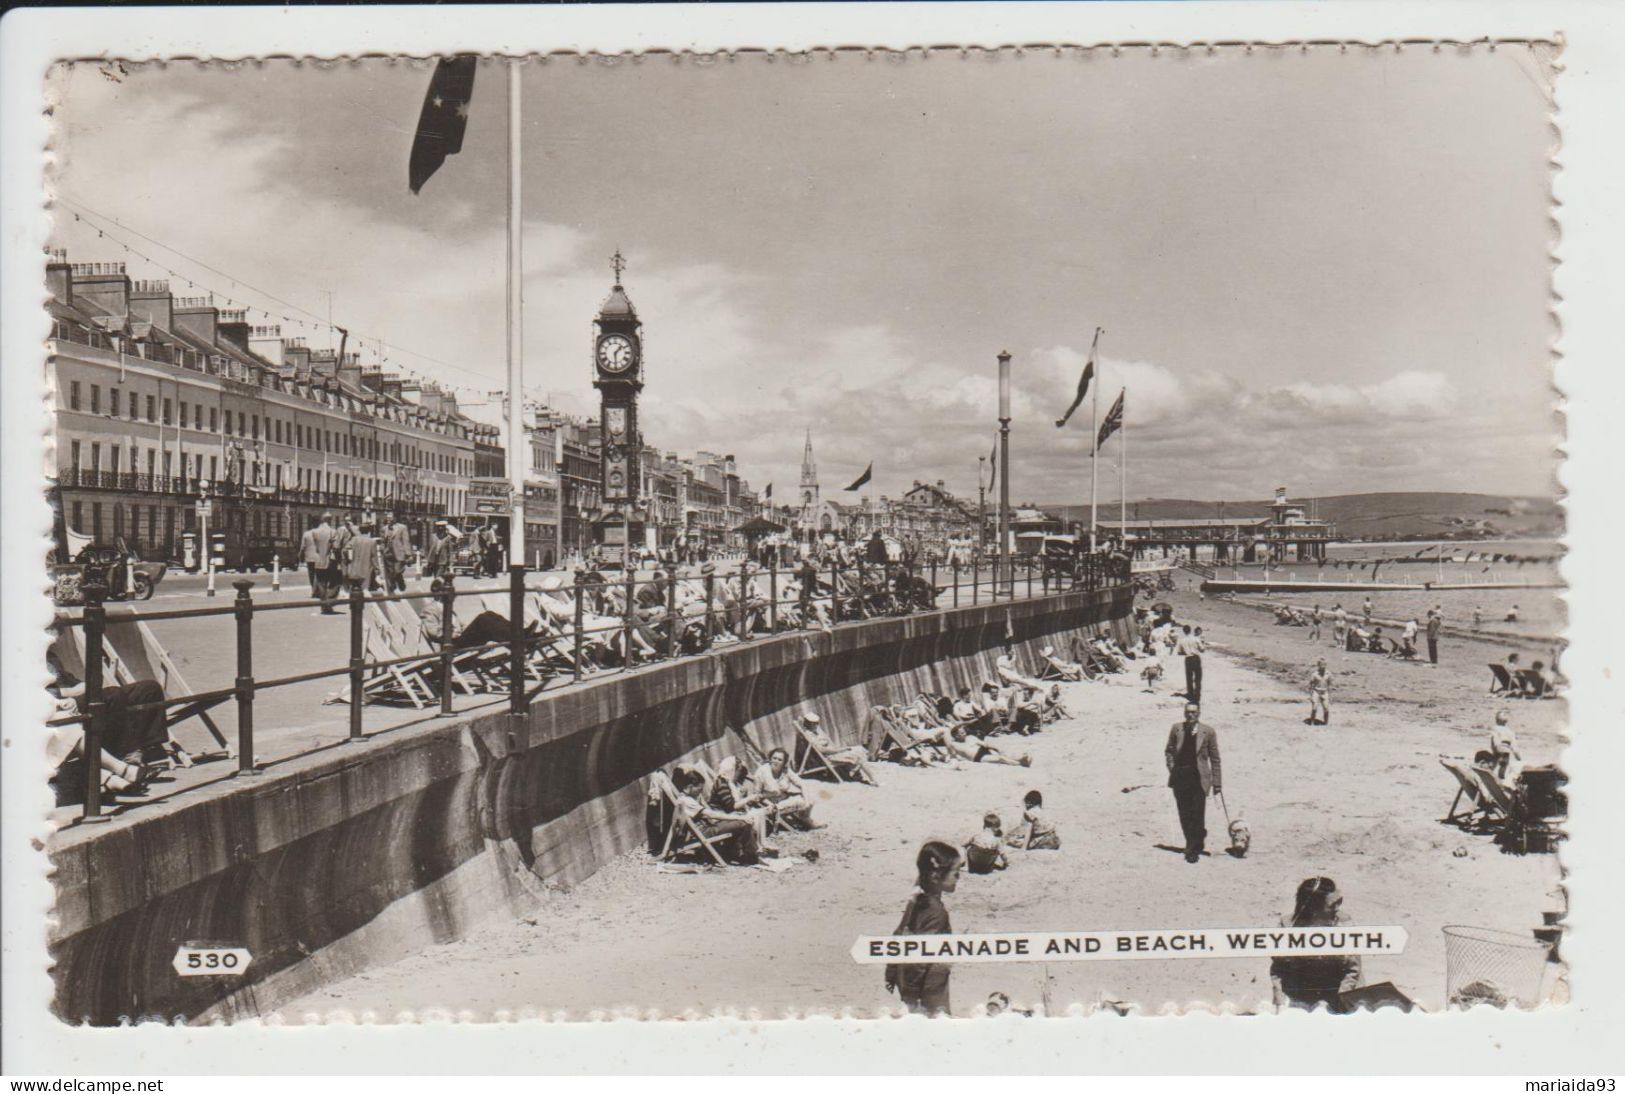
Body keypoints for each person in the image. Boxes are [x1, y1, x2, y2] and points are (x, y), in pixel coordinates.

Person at [884, 841, 960, 1016]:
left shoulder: (916, 899)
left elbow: (898, 934)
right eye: (955, 873)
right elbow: (921, 956)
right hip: (929, 987)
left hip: (909, 980)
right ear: (935, 876)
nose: (958, 878)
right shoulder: (936, 912)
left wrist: (892, 971)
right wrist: (913, 996)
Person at [1270, 877, 1363, 1012]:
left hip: (1339, 989)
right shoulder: (1287, 926)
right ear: (1313, 909)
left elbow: (1352, 971)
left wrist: (1340, 1004)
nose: (1338, 908)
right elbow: (1279, 969)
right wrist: (1280, 1003)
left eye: (1339, 901)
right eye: (1332, 905)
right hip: (1300, 991)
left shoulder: (1345, 925)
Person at [1164, 701, 1222, 863]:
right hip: (1180, 776)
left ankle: (1192, 849)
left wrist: (1217, 783)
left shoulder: (1208, 732)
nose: (1191, 715)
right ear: (1184, 713)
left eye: (1194, 712)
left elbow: (1215, 759)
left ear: (1199, 714)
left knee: (1197, 813)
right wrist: (1172, 768)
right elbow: (1169, 751)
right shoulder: (1177, 728)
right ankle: (1196, 837)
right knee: (1184, 813)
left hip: (1199, 778)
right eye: (1188, 712)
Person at [672, 769, 760, 865]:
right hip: (703, 832)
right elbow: (711, 815)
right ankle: (752, 857)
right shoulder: (687, 801)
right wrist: (738, 818)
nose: (700, 792)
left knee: (739, 821)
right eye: (699, 789)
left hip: (706, 828)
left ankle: (734, 853)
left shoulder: (686, 798)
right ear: (690, 787)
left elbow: (710, 816)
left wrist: (732, 816)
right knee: (743, 823)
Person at [797, 711, 879, 785]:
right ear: (808, 724)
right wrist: (840, 750)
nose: (816, 725)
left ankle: (854, 772)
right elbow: (821, 750)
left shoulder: (816, 732)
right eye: (814, 723)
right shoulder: (809, 735)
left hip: (833, 753)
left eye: (817, 723)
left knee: (859, 749)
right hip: (829, 757)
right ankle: (873, 779)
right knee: (857, 756)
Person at [753, 747, 822, 830]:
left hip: (784, 801)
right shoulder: (761, 772)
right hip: (769, 804)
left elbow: (802, 783)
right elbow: (757, 796)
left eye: (780, 759)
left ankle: (805, 818)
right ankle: (802, 817)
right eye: (774, 758)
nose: (776, 761)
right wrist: (769, 804)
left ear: (784, 762)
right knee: (797, 801)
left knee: (810, 797)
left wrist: (807, 801)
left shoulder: (786, 771)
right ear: (770, 759)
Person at [300, 512, 340, 614]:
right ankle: (329, 602)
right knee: (334, 582)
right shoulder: (333, 531)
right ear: (330, 520)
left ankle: (323, 605)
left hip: (318, 560)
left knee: (321, 583)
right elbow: (336, 547)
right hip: (329, 561)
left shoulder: (314, 532)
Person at [945, 724, 1030, 767]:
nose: (965, 733)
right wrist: (942, 757)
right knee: (1000, 759)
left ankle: (1020, 759)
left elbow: (985, 744)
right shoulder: (954, 745)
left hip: (983, 750)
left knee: (1003, 754)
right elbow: (951, 756)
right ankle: (1020, 764)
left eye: (964, 732)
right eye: (962, 733)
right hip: (978, 757)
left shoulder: (970, 737)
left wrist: (996, 748)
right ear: (956, 736)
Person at [343, 521, 380, 596]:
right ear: (369, 531)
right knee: (365, 588)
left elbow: (345, 550)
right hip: (367, 567)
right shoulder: (371, 541)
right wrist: (377, 568)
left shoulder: (354, 539)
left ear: (359, 530)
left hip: (355, 566)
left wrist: (349, 558)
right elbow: (374, 557)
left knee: (354, 586)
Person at [1487, 709, 1522, 781]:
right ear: (1506, 722)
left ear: (1496, 720)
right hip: (1506, 752)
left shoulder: (1495, 729)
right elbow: (1514, 745)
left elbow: (1495, 741)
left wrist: (1495, 749)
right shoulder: (1510, 731)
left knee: (1492, 766)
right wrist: (1517, 756)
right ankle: (1501, 779)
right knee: (1503, 767)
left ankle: (1488, 779)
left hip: (1498, 750)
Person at [382, 514, 411, 593]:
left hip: (399, 553)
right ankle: (392, 586)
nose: (388, 520)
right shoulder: (384, 528)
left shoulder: (402, 527)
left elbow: (406, 541)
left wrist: (408, 554)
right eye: (387, 518)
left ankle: (400, 581)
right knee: (390, 572)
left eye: (390, 518)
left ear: (394, 518)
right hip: (388, 554)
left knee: (397, 571)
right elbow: (382, 541)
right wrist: (383, 550)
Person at [1175, 625, 1204, 703]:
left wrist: (1186, 651)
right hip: (1196, 658)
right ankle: (1197, 695)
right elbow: (1202, 649)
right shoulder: (1195, 638)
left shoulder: (1182, 640)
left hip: (1188, 659)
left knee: (1189, 677)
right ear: (1190, 630)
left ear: (1184, 631)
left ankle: (1190, 694)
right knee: (1198, 678)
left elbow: (1179, 652)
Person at [1308, 658, 1332, 725]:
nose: (1323, 666)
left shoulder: (1328, 673)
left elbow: (1329, 684)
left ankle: (1326, 723)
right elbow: (1311, 684)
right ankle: (1312, 722)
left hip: (1324, 692)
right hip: (1316, 692)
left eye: (1324, 664)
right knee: (1314, 708)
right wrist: (1310, 695)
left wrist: (1330, 694)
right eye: (1321, 664)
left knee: (1326, 709)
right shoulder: (1314, 674)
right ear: (1318, 665)